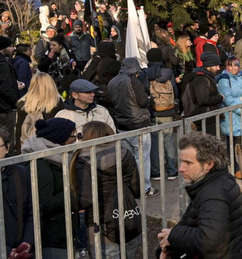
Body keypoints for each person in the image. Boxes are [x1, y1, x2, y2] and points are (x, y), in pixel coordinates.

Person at [157, 132, 242, 259]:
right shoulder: (215, 180)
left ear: (208, 164)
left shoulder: (213, 193)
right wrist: (170, 243)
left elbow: (208, 240)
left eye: (188, 163)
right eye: (181, 161)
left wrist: (173, 236)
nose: (181, 168)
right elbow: (190, 219)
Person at [71, 121, 141, 258]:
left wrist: (66, 205)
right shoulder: (125, 152)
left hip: (101, 226)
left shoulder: (84, 159)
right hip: (128, 220)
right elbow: (137, 189)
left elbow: (85, 199)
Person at [20, 118, 79, 257]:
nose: (75, 140)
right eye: (73, 136)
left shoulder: (58, 157)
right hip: (52, 238)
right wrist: (74, 190)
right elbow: (44, 204)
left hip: (62, 232)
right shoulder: (41, 164)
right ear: (59, 139)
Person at [108, 57, 159, 197]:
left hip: (122, 125)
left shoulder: (112, 82)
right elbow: (142, 102)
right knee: (142, 158)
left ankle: (131, 187)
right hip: (138, 124)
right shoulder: (133, 81)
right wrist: (149, 99)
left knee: (129, 159)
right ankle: (145, 188)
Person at [142, 49, 179, 182]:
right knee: (168, 142)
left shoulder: (145, 74)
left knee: (154, 143)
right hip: (167, 111)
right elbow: (175, 90)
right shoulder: (168, 72)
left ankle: (156, 173)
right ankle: (172, 171)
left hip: (152, 112)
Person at [1, 128, 34, 258]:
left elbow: (34, 209)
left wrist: (27, 242)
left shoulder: (20, 172)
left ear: (7, 148)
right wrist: (7, 250)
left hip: (22, 249)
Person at [14, 72, 65, 156]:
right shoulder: (57, 104)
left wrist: (18, 149)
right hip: (52, 148)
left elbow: (19, 128)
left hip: (29, 147)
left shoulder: (23, 105)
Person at [182, 52, 224, 131]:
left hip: (208, 117)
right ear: (209, 66)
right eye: (216, 65)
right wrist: (220, 98)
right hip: (205, 118)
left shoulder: (207, 77)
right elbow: (203, 99)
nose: (218, 68)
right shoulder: (201, 79)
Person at [0, 36, 20, 151]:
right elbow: (5, 88)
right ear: (2, 49)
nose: (13, 49)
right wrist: (15, 103)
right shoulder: (3, 65)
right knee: (6, 143)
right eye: (10, 46)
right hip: (4, 110)